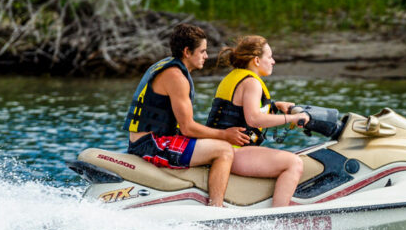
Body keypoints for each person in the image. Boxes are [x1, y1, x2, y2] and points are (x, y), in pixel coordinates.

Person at [122, 23, 249, 207]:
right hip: (150, 144)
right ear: (187, 51)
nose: (206, 56)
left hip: (149, 139)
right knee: (224, 150)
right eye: (203, 51)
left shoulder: (167, 66)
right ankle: (216, 210)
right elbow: (187, 127)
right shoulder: (176, 77)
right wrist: (225, 134)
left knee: (212, 143)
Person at [206, 36, 311, 207]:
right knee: (294, 163)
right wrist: (292, 118)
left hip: (218, 148)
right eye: (269, 57)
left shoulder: (234, 77)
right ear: (256, 60)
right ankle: (279, 220)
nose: (273, 61)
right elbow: (254, 119)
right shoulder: (252, 83)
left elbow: (239, 110)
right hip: (234, 152)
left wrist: (276, 105)